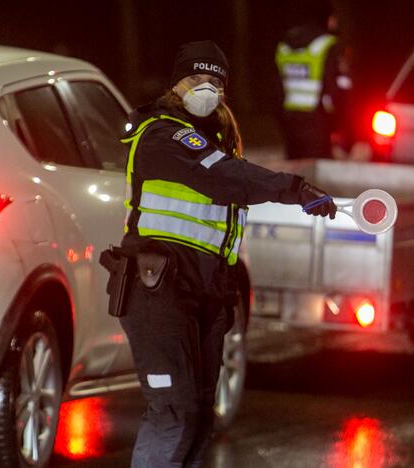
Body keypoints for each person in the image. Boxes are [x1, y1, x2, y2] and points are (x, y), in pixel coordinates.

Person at [109, 40, 337, 467]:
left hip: (204, 293)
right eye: (197, 78)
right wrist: (294, 188)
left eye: (216, 81)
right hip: (159, 293)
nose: (207, 88)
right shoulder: (162, 133)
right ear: (177, 83)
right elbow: (222, 178)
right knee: (171, 414)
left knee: (197, 416)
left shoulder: (210, 139)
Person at [275, 2, 354, 159]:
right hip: (318, 123)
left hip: (289, 122)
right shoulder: (328, 45)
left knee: (294, 175)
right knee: (315, 177)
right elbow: (339, 89)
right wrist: (344, 128)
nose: (335, 22)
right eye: (333, 17)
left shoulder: (284, 45)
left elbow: (276, 89)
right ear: (326, 18)